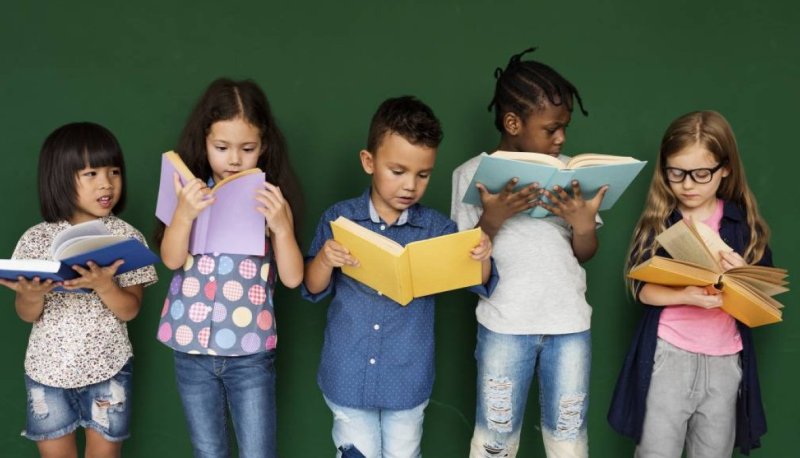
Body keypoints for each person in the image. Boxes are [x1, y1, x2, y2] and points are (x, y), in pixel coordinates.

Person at [302, 95, 497, 458]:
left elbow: (479, 281)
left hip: (407, 380)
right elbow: (312, 287)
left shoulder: (438, 229)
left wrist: (483, 255)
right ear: (368, 162)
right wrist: (327, 259)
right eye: (398, 171)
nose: (411, 185)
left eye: (423, 175)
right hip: (347, 373)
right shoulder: (340, 219)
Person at [451, 48, 606, 458]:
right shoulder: (471, 176)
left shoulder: (573, 173)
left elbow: (585, 252)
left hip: (569, 325)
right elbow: (464, 266)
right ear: (513, 122)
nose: (562, 139)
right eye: (552, 129)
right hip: (505, 326)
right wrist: (492, 219)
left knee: (569, 440)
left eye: (564, 128)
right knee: (495, 442)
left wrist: (583, 223)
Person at [608, 110, 772, 457]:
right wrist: (686, 296)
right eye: (676, 174)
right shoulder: (661, 220)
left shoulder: (740, 224)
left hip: (726, 361)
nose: (687, 185)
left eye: (700, 174)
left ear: (724, 168)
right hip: (668, 355)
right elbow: (641, 289)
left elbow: (766, 296)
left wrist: (743, 273)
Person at [155, 78, 304, 458]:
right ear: (204, 142)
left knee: (258, 452)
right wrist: (184, 215)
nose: (234, 159)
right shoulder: (190, 191)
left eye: (247, 148)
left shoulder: (271, 200)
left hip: (250, 351)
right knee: (208, 451)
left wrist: (283, 228)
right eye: (222, 148)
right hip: (191, 349)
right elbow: (171, 260)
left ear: (264, 146)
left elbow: (292, 278)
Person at [0, 122, 158, 457]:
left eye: (114, 171)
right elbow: (26, 313)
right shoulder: (35, 239)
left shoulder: (126, 237)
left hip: (109, 368)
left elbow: (130, 309)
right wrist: (32, 295)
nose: (107, 183)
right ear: (59, 178)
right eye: (91, 174)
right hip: (47, 372)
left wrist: (104, 285)